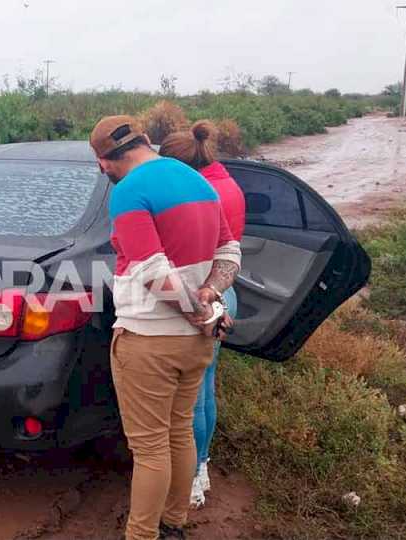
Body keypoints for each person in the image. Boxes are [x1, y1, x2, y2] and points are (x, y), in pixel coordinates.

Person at [90, 115, 241, 539]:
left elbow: (153, 271)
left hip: (149, 341)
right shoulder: (197, 181)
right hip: (195, 344)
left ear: (104, 161)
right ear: (144, 141)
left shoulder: (130, 192)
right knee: (179, 433)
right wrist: (210, 296)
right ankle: (175, 524)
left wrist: (194, 307)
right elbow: (229, 251)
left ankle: (141, 535)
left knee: (149, 447)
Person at [159, 121, 246, 509]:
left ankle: (191, 478)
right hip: (225, 292)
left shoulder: (197, 195)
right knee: (204, 389)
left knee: (190, 397)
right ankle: (202, 468)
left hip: (201, 297)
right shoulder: (227, 183)